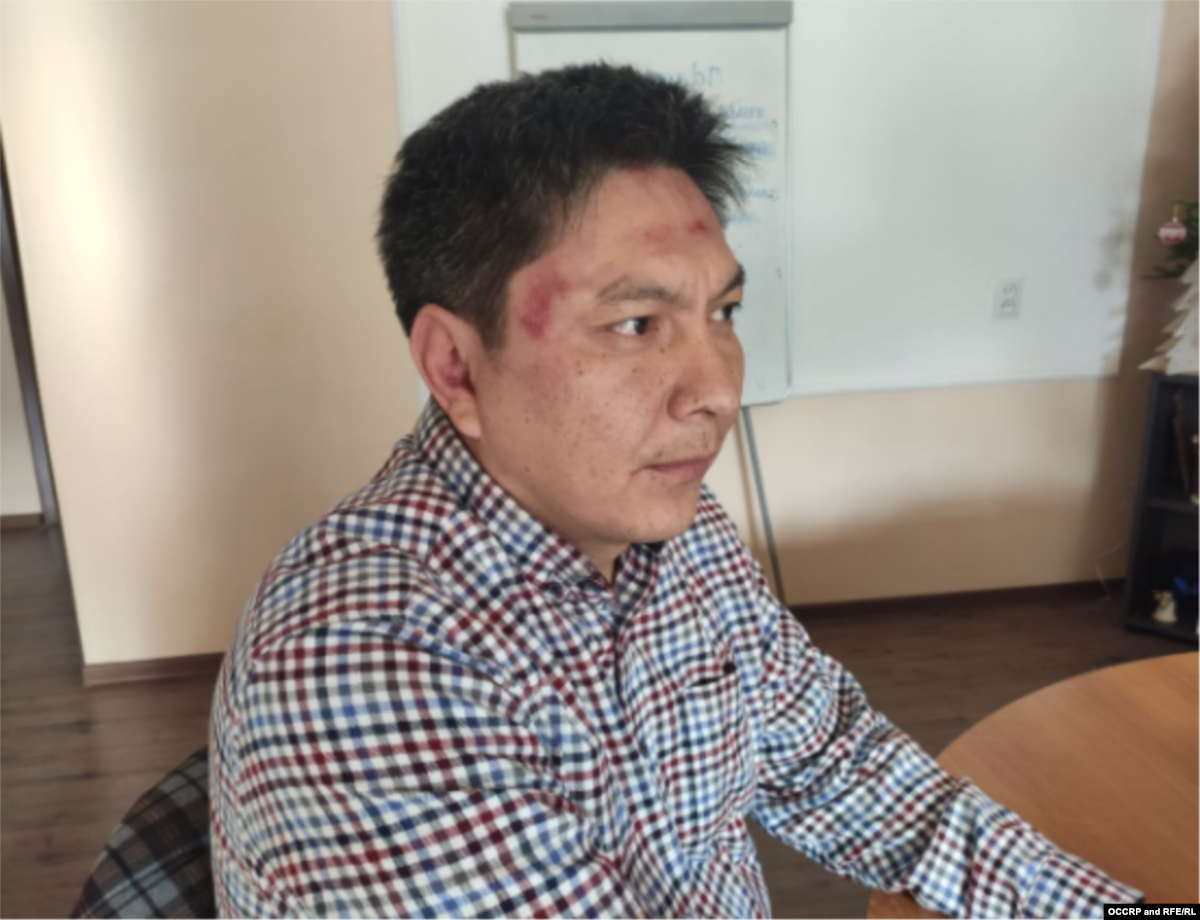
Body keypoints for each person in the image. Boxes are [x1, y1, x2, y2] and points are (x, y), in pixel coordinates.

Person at [209, 63, 1141, 918]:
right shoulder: (366, 654)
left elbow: (845, 773)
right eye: (636, 323)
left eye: (723, 311)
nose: (720, 392)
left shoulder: (683, 538)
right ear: (455, 367)